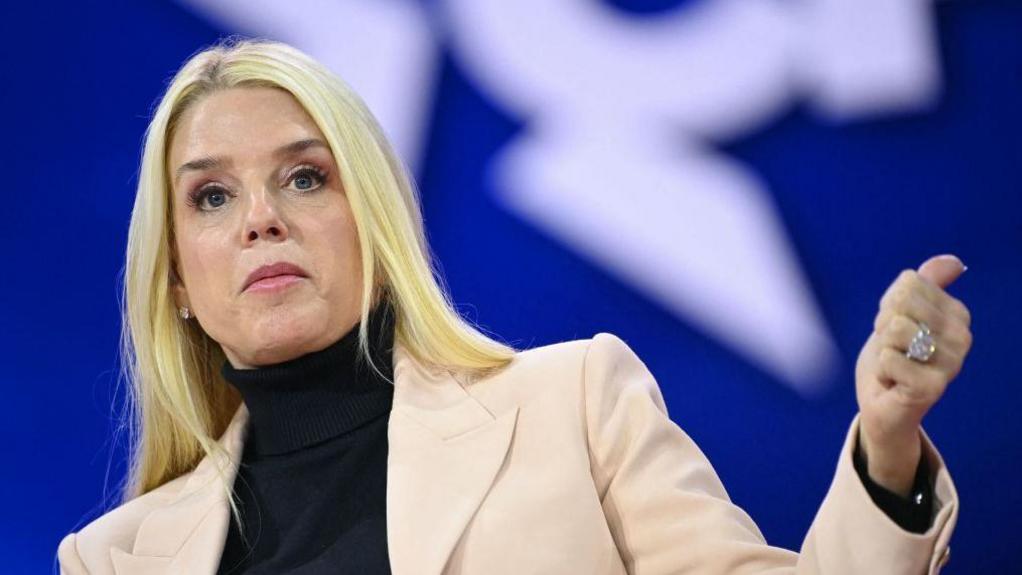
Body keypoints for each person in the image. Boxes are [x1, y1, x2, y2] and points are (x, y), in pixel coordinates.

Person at [57, 38, 970, 574]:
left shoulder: (572, 405)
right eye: (211, 196)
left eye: (304, 177)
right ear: (175, 277)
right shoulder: (116, 558)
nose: (261, 219)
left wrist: (887, 448)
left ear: (374, 227)